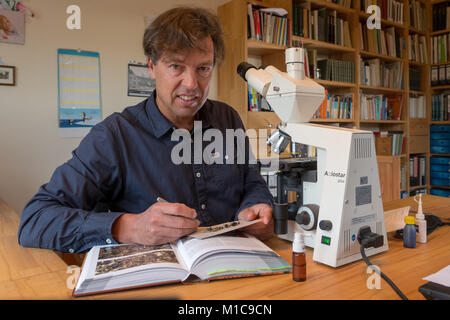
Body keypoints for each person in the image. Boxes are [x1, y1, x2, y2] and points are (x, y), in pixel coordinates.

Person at [18, 7, 274, 253]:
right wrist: (128, 227)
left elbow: (252, 181)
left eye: (203, 68)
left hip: (236, 270)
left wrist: (255, 206)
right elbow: (36, 219)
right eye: (176, 66)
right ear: (151, 67)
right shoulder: (114, 136)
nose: (192, 84)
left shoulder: (227, 118)